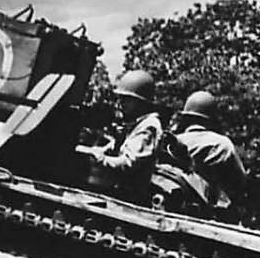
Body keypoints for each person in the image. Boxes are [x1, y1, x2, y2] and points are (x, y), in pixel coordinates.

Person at [78, 69, 164, 200]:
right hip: (117, 193)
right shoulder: (134, 125)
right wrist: (91, 151)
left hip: (129, 198)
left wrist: (101, 159)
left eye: (127, 100)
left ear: (141, 102)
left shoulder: (148, 127)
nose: (121, 104)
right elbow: (113, 147)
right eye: (121, 99)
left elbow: (127, 164)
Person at [170, 90, 247, 213]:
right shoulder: (222, 144)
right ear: (212, 121)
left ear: (185, 118)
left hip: (170, 203)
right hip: (205, 212)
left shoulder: (172, 142)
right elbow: (240, 183)